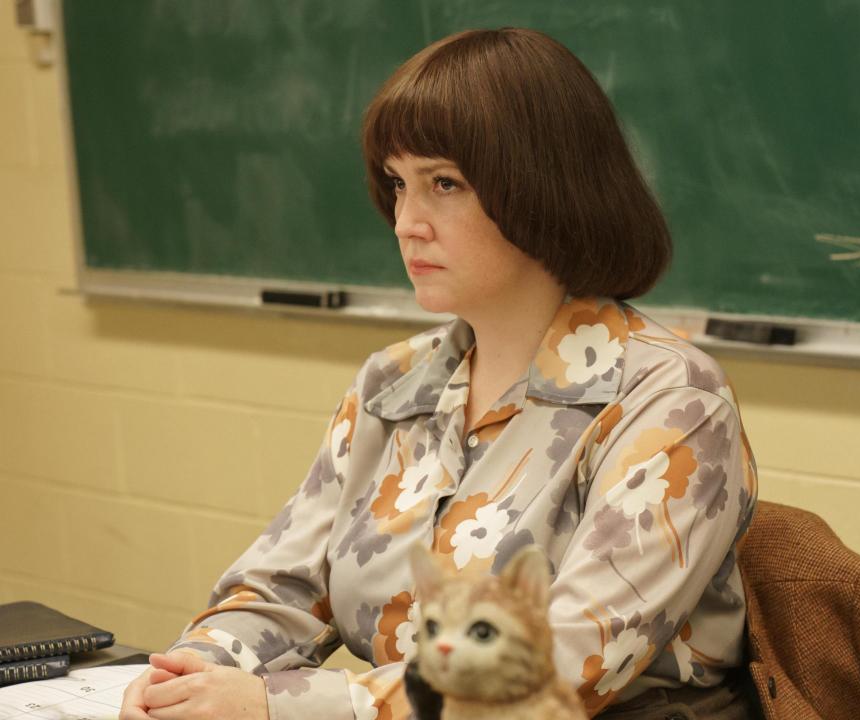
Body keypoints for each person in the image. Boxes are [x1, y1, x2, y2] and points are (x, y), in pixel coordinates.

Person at [120, 28, 758, 720]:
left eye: (443, 184)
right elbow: (279, 589)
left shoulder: (671, 400)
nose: (405, 222)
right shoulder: (391, 382)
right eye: (397, 184)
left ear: (542, 188)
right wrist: (193, 673)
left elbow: (559, 667)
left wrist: (279, 707)